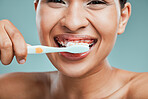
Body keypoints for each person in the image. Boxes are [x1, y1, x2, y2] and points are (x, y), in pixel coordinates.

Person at [0, 0, 148, 99]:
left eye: (96, 1)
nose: (73, 23)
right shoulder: (8, 91)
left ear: (122, 18)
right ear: (37, 10)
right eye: (57, 0)